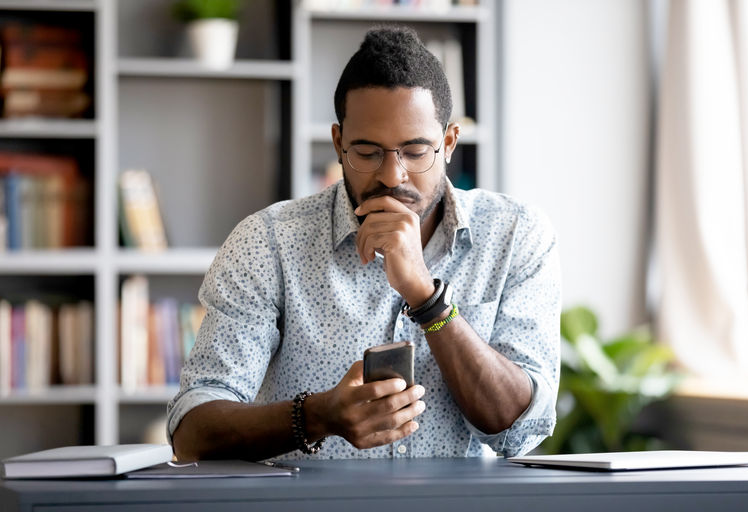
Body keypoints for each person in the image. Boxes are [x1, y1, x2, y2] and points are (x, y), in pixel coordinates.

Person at [168, 25, 561, 461]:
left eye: (415, 151)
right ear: (338, 144)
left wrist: (427, 299)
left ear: (448, 143)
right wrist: (317, 416)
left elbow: (520, 429)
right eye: (368, 152)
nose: (392, 176)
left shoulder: (516, 235)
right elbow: (193, 433)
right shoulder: (269, 243)